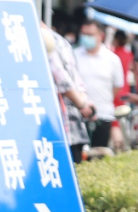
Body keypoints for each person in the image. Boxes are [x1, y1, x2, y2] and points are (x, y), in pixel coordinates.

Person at [44, 24, 93, 163]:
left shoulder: (45, 38)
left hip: (61, 123)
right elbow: (71, 79)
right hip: (71, 122)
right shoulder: (59, 40)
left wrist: (82, 103)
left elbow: (62, 78)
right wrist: (83, 101)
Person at [73, 20, 124, 151]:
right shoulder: (74, 55)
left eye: (90, 34)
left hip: (103, 115)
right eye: (84, 34)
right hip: (78, 116)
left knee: (100, 154)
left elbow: (117, 86)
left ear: (100, 36)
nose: (86, 37)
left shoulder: (112, 59)